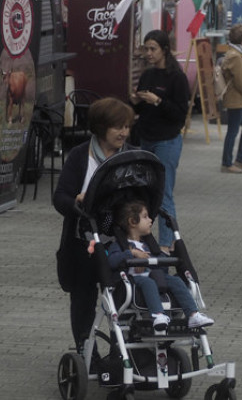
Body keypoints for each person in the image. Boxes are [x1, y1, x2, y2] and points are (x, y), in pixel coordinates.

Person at [53, 97, 135, 353]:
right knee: (83, 298)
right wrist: (77, 201)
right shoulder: (80, 155)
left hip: (118, 242)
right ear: (101, 128)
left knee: (122, 298)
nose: (124, 132)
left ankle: (120, 352)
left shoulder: (132, 156)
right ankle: (86, 348)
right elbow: (60, 197)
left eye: (127, 126)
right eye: (118, 127)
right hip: (83, 242)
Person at [106, 200, 215, 330]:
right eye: (145, 217)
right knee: (148, 283)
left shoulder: (148, 245)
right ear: (132, 221)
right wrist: (132, 253)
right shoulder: (119, 246)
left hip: (153, 275)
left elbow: (161, 266)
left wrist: (170, 254)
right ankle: (157, 314)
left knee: (175, 280)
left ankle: (193, 314)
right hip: (132, 280)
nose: (150, 220)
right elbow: (112, 261)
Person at [130, 30, 190, 249]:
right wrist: (135, 100)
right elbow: (138, 108)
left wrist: (158, 101)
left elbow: (180, 114)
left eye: (152, 48)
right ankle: (142, 239)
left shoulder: (177, 78)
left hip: (167, 140)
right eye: (146, 48)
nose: (148, 53)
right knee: (144, 192)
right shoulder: (148, 75)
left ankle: (167, 243)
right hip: (146, 138)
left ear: (164, 50)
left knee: (163, 193)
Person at [220, 24, 242, 174]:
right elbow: (240, 81)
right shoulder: (235, 56)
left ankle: (241, 159)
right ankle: (226, 163)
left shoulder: (238, 53)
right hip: (237, 99)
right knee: (233, 131)